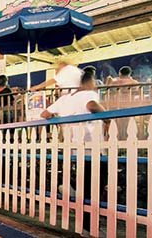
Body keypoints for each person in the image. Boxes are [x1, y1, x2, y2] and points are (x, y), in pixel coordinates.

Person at [41, 68, 108, 234]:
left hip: (73, 149)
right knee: (93, 190)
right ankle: (89, 228)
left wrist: (59, 121)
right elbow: (92, 106)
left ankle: (70, 188)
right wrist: (108, 117)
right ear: (89, 82)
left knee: (86, 186)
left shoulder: (65, 99)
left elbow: (45, 113)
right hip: (91, 148)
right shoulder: (88, 94)